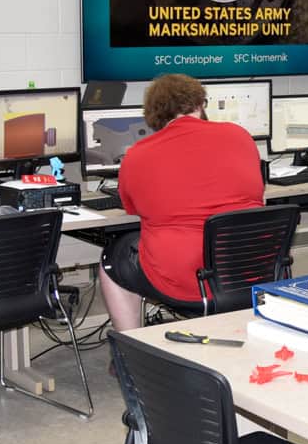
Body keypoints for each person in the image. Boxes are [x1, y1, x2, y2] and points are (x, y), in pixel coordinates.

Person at [99, 74, 263, 332]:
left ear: (154, 115)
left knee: (113, 256)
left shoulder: (138, 155)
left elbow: (133, 209)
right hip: (247, 269)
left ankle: (132, 349)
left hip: (182, 280)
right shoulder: (240, 136)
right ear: (200, 105)